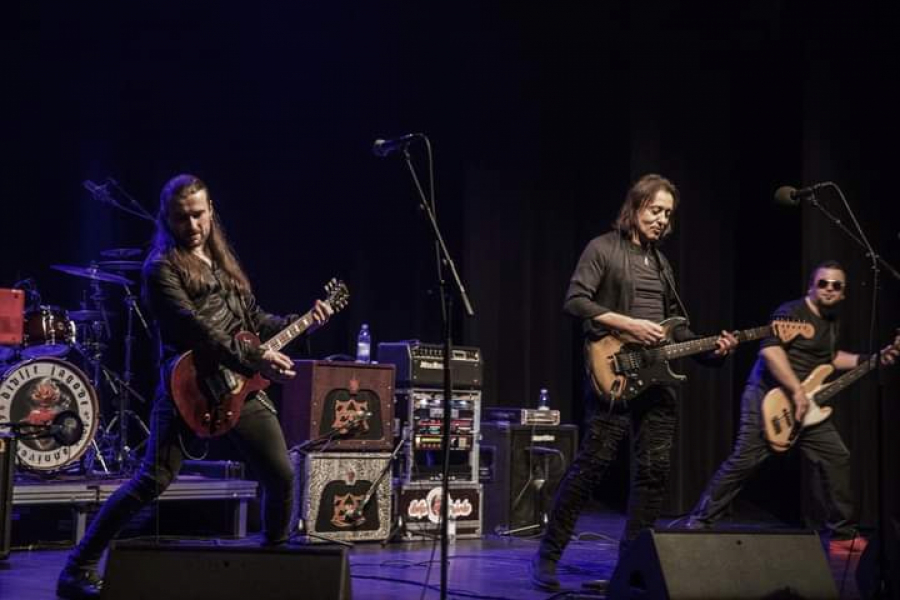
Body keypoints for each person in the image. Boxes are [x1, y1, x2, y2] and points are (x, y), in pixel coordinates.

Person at [57, 174, 333, 599]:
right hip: (187, 386)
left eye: (199, 214)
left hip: (239, 385)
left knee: (280, 475)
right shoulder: (161, 268)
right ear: (167, 219)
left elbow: (255, 321)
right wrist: (256, 359)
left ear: (211, 211)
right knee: (150, 481)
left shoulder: (223, 262)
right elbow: (198, 330)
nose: (192, 225)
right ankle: (76, 569)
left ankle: (274, 564)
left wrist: (304, 322)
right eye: (181, 217)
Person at [530, 174, 738, 591]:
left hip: (658, 382)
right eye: (655, 210)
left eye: (668, 214)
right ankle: (548, 557)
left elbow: (677, 330)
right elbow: (575, 301)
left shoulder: (663, 265)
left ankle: (629, 569)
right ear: (635, 207)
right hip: (616, 373)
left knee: (654, 473)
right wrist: (628, 324)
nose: (662, 220)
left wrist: (711, 350)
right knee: (591, 467)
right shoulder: (603, 248)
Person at [686, 260, 898, 552]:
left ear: (843, 293)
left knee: (836, 456)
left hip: (806, 404)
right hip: (767, 396)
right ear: (811, 287)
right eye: (823, 283)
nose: (829, 289)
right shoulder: (792, 312)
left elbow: (830, 359)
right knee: (745, 459)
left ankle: (842, 534)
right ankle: (698, 523)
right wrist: (796, 391)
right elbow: (771, 351)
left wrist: (873, 359)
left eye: (836, 285)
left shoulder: (831, 321)